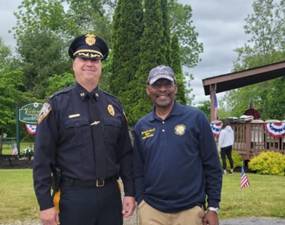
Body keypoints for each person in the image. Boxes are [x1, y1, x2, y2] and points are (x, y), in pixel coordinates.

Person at [33, 33, 135, 225]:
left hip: (110, 196)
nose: (90, 63)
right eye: (83, 58)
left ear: (101, 65)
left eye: (95, 59)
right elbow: (42, 158)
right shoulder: (57, 105)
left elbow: (125, 154)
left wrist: (129, 191)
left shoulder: (114, 106)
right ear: (74, 64)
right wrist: (45, 203)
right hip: (74, 197)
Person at [133, 65, 223, 225]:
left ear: (175, 87)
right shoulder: (142, 125)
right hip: (151, 211)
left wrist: (213, 207)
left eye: (167, 84)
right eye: (156, 85)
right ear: (148, 89)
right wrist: (141, 202)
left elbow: (212, 165)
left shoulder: (196, 118)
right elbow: (137, 169)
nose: (162, 90)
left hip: (189, 211)